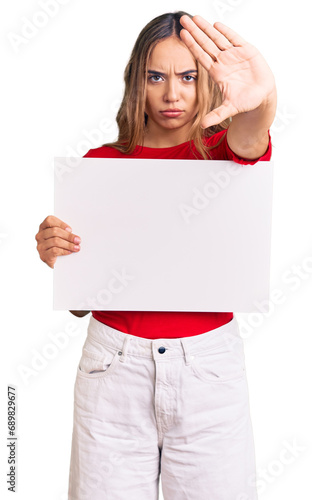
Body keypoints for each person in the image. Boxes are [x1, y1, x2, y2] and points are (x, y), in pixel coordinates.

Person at [35, 11, 276, 500]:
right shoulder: (99, 166)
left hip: (207, 370)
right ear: (136, 82)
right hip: (113, 370)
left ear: (206, 81)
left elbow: (251, 132)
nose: (173, 94)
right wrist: (59, 253)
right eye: (157, 76)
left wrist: (262, 100)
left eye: (188, 77)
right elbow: (84, 301)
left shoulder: (223, 152)